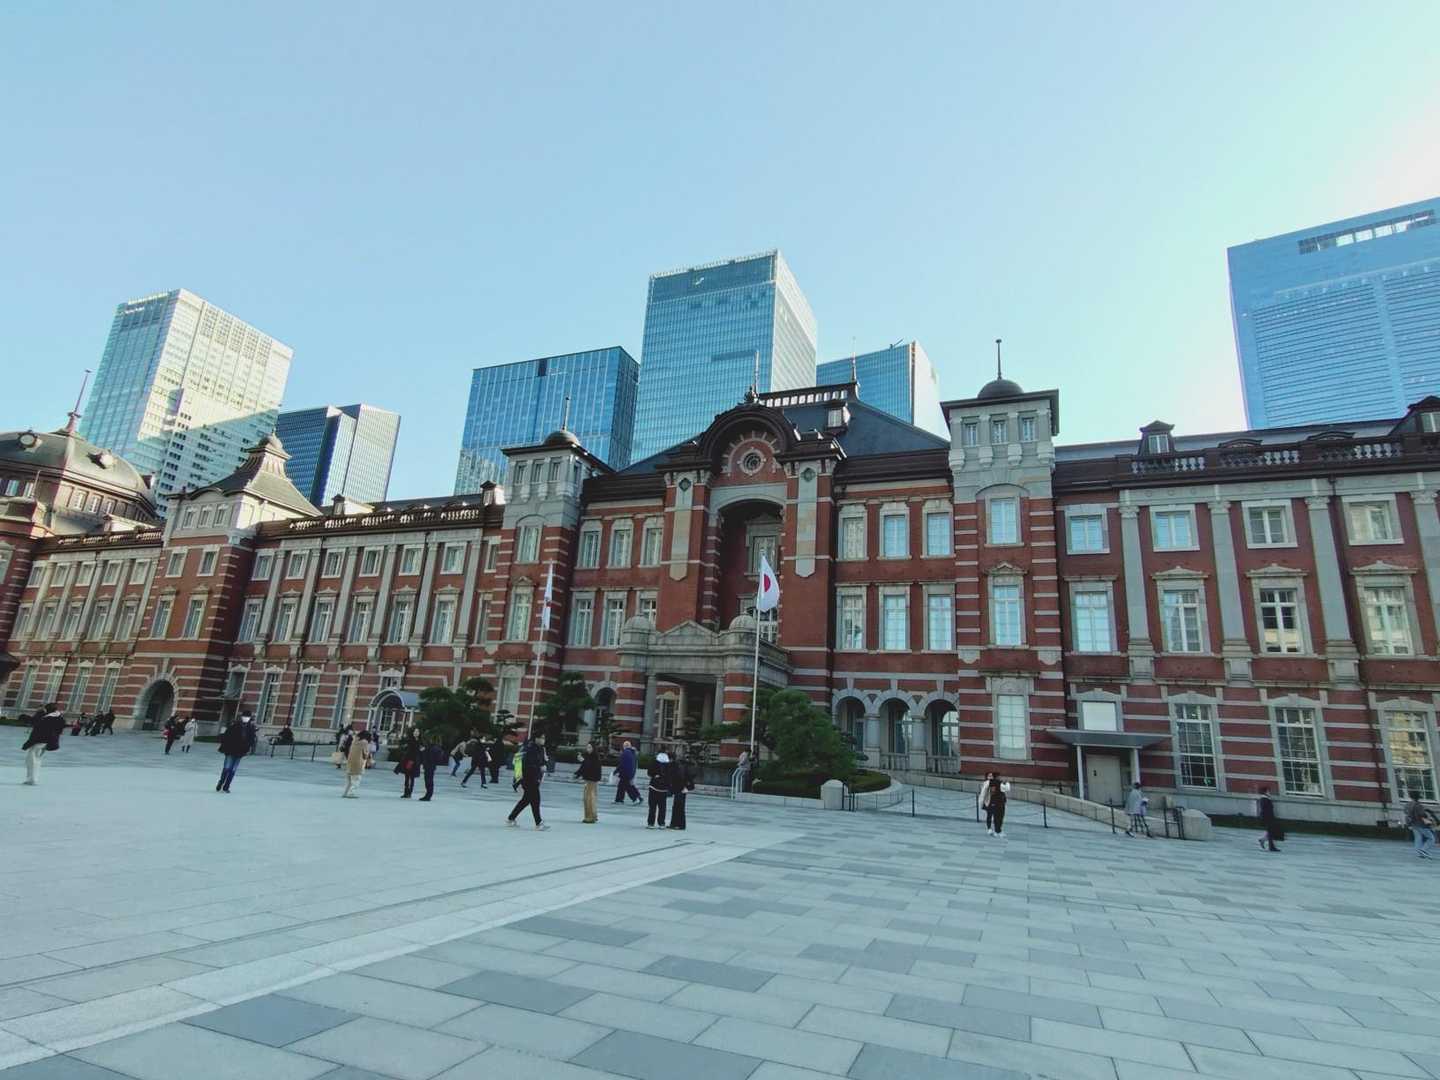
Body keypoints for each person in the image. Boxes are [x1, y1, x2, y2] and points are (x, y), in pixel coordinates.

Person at [506, 734, 549, 830]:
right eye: (541, 738)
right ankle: (538, 823)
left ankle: (511, 818)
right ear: (536, 738)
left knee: (526, 800)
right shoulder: (529, 748)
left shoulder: (541, 749)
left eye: (544, 738)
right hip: (527, 778)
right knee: (535, 800)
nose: (543, 740)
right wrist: (539, 767)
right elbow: (527, 764)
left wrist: (544, 764)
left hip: (535, 778)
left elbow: (541, 761)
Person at [22, 703, 65, 785]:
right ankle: (33, 778)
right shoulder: (59, 718)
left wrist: (28, 744)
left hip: (40, 741)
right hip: (47, 741)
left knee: (32, 759)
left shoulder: (47, 718)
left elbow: (38, 729)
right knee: (36, 759)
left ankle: (32, 779)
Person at [216, 716, 250, 793]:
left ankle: (225, 785)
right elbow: (226, 737)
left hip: (238, 752)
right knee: (228, 768)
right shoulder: (234, 727)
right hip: (232, 751)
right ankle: (222, 783)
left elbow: (249, 741)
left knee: (231, 769)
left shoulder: (247, 729)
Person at [574, 741, 602, 823]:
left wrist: (583, 761)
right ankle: (593, 815)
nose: (588, 749)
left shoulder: (594, 757)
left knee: (588, 798)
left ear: (593, 748)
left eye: (590, 747)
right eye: (587, 747)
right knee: (591, 798)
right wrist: (577, 774)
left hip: (592, 779)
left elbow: (589, 766)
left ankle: (590, 817)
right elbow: (584, 766)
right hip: (589, 779)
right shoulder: (588, 756)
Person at [667, 752, 696, 831]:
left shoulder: (677, 766)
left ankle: (679, 824)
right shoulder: (677, 765)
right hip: (681, 788)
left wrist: (686, 787)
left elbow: (679, 778)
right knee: (677, 806)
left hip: (681, 788)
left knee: (679, 806)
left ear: (671, 759)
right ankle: (676, 824)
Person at [1404, 791, 1435, 859]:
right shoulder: (1419, 805)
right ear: (1418, 797)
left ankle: (1420, 853)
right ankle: (1423, 850)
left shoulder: (1407, 805)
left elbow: (1406, 813)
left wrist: (1409, 823)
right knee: (1431, 838)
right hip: (1421, 824)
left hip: (1413, 823)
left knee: (1418, 838)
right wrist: (1429, 818)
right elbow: (1422, 815)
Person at [342, 729, 371, 797]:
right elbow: (365, 754)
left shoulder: (354, 740)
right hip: (358, 763)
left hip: (350, 761)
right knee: (356, 779)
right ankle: (351, 793)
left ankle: (345, 793)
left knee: (349, 780)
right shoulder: (365, 742)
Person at [419, 736, 449, 801]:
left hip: (429, 766)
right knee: (429, 781)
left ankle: (428, 795)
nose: (430, 740)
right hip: (430, 766)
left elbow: (429, 756)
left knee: (428, 781)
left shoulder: (433, 748)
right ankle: (428, 795)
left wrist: (424, 751)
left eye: (431, 739)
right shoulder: (434, 747)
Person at [613, 740, 642, 805]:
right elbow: (634, 764)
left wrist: (616, 771)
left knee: (627, 787)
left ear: (624, 746)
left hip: (625, 773)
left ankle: (635, 799)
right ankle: (619, 799)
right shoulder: (633, 753)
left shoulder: (625, 753)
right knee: (621, 786)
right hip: (630, 772)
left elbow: (621, 764)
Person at [647, 752, 671, 829]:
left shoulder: (654, 763)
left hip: (653, 788)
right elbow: (671, 778)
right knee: (662, 808)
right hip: (663, 789)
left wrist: (655, 776)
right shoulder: (668, 766)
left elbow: (649, 773)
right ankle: (661, 823)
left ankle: (651, 823)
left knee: (652, 807)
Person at [396, 726, 422, 798]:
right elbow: (407, 749)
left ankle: (410, 792)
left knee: (412, 777)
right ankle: (406, 792)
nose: (416, 733)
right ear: (413, 733)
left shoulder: (420, 741)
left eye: (417, 731)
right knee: (407, 776)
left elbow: (421, 751)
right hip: (409, 760)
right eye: (415, 731)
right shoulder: (410, 740)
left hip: (416, 761)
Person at [1257, 787, 1282, 853]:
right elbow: (1264, 810)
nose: (1269, 792)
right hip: (1267, 818)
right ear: (1265, 792)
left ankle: (1263, 840)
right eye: (1268, 791)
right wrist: (1265, 818)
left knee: (1271, 831)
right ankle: (1271, 847)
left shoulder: (1266, 799)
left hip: (1269, 817)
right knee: (1271, 832)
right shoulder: (1264, 799)